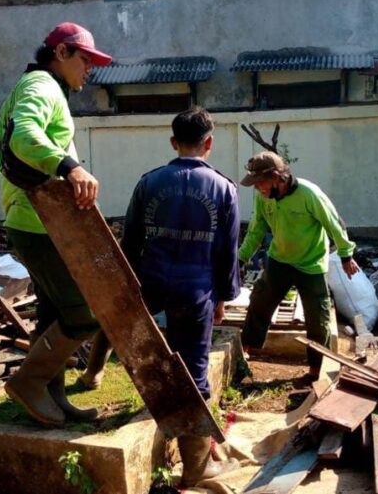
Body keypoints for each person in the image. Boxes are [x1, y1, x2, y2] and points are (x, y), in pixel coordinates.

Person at [0, 22, 111, 427]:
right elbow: (24, 137)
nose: (89, 69)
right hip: (41, 225)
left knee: (51, 313)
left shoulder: (23, 91)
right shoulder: (42, 87)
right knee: (84, 313)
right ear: (61, 53)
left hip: (35, 224)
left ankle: (54, 397)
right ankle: (29, 383)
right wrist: (70, 167)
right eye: (85, 59)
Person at [118, 106, 241, 486]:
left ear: (173, 142)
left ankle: (99, 379)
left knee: (149, 359)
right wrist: (222, 297)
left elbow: (130, 242)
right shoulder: (224, 188)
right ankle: (195, 467)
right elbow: (227, 252)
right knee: (195, 370)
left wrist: (132, 291)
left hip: (152, 287)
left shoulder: (149, 182)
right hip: (195, 291)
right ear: (210, 143)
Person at [238, 151, 358, 380]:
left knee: (318, 318)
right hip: (279, 260)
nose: (258, 188)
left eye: (261, 182)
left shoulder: (308, 193)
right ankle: (245, 354)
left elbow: (334, 224)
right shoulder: (263, 196)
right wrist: (240, 258)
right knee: (259, 304)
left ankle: (315, 371)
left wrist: (346, 255)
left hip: (311, 264)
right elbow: (256, 229)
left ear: (276, 177)